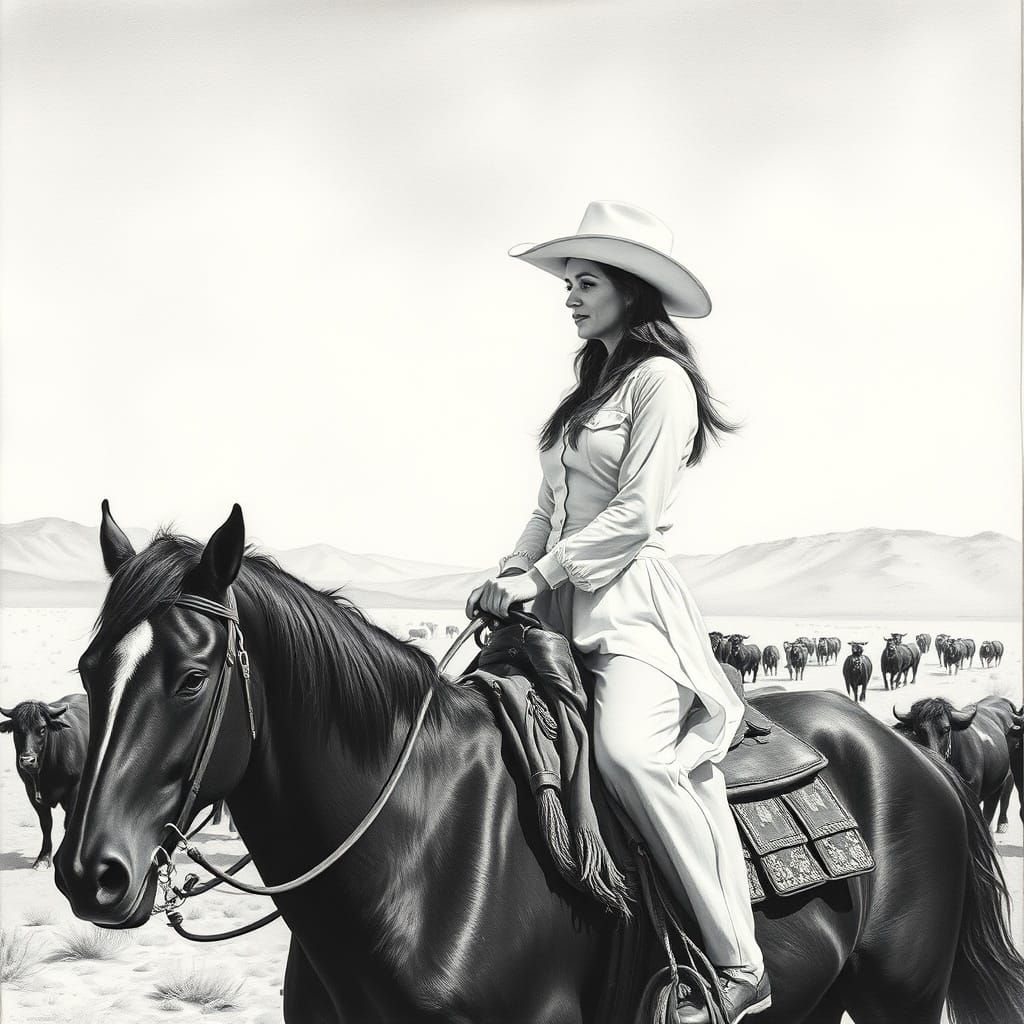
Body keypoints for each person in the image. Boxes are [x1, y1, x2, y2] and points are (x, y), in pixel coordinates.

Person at [465, 201, 770, 1024]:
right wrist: (514, 567)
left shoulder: (660, 383)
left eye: (585, 281)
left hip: (631, 614)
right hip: (555, 608)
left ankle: (739, 962)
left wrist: (545, 575)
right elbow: (547, 508)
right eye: (568, 281)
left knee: (632, 756)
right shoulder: (586, 389)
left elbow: (636, 514)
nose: (569, 295)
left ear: (630, 293)